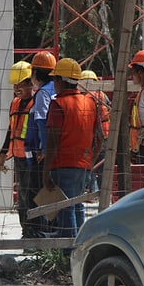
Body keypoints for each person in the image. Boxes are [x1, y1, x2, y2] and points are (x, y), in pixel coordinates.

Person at [43, 58, 104, 239]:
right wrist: (89, 162)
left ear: (62, 80)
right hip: (83, 165)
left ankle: (69, 252)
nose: (54, 84)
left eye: (55, 80)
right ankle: (81, 246)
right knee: (77, 205)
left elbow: (52, 143)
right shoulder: (90, 103)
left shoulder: (58, 104)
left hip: (63, 165)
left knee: (66, 208)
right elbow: (100, 137)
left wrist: (45, 172)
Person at [0, 61, 40, 238]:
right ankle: (26, 232)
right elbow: (11, 130)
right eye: (15, 85)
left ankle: (34, 232)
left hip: (33, 159)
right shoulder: (15, 103)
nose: (16, 88)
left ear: (31, 83)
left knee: (32, 197)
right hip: (19, 158)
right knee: (22, 198)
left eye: (20, 84)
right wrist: (3, 152)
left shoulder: (38, 101)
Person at [25, 50, 56, 234]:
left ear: (36, 73)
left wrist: (44, 149)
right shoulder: (57, 89)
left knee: (37, 194)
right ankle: (51, 231)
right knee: (51, 193)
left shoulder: (43, 93)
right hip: (55, 151)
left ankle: (38, 235)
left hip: (41, 154)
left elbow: (42, 121)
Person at [79, 69, 110, 192]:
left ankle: (91, 191)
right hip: (105, 136)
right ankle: (104, 193)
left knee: (89, 164)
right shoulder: (102, 95)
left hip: (91, 137)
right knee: (102, 168)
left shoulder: (86, 98)